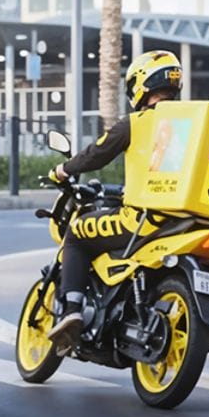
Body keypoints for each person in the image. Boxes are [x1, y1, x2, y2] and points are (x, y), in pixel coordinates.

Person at [46, 50, 185, 349]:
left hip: (142, 221)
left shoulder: (135, 123)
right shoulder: (190, 124)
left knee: (77, 233)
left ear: (142, 84)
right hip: (183, 220)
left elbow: (95, 154)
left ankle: (71, 311)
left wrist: (63, 170)